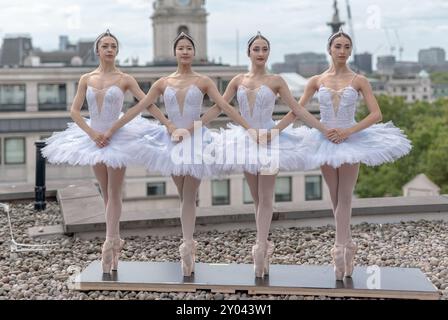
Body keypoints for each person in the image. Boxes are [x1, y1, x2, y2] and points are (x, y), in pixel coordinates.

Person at [103, 32, 254, 277]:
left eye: (189, 48)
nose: (185, 51)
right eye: (181, 48)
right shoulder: (162, 83)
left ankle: (186, 245)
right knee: (183, 194)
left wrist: (246, 128)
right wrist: (114, 128)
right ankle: (187, 246)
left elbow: (223, 106)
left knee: (189, 193)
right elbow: (141, 106)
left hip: (196, 141)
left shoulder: (204, 80)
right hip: (172, 140)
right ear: (175, 52)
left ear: (193, 53)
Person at [196, 32, 330, 278]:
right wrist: (194, 126)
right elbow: (221, 107)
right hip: (245, 141)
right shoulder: (237, 80)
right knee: (257, 198)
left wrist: (281, 131)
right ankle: (264, 245)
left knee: (266, 196)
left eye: (264, 49)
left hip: (270, 141)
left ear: (268, 53)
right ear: (249, 52)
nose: (260, 53)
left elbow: (296, 109)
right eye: (256, 49)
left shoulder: (277, 80)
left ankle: (259, 249)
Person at [283, 27, 412, 280]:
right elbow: (298, 110)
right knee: (334, 197)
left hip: (352, 140)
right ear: (329, 50)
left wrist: (348, 131)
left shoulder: (359, 80)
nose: (342, 51)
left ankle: (340, 249)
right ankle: (348, 244)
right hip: (324, 140)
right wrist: (277, 130)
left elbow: (377, 114)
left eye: (346, 47)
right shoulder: (316, 80)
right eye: (338, 46)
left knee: (345, 195)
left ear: (350, 51)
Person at [42, 30, 172, 274]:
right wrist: (92, 134)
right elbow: (74, 111)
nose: (109, 49)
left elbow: (147, 103)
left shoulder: (125, 78)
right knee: (106, 193)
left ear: (117, 50)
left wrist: (168, 124)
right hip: (93, 137)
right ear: (98, 50)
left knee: (114, 191)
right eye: (105, 45)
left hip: (118, 136)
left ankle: (109, 244)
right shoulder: (86, 78)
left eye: (113, 45)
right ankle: (115, 238)